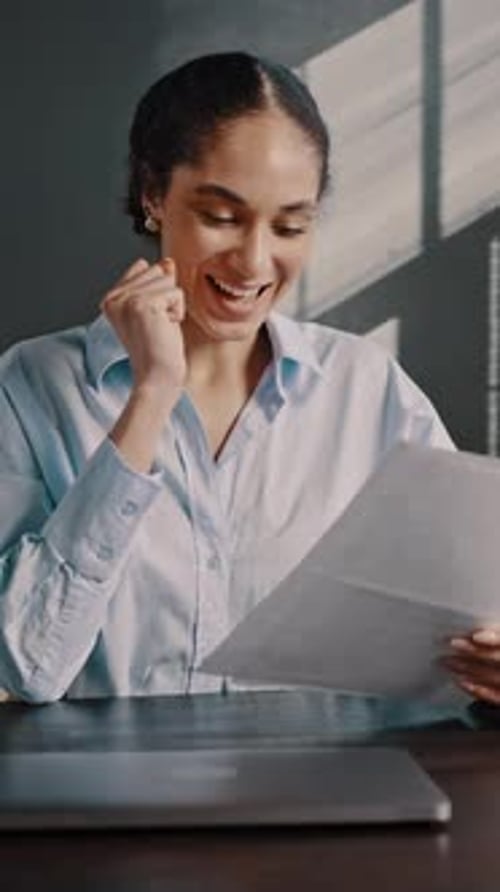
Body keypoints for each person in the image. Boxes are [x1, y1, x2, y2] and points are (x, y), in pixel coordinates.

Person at [0, 52, 498, 716]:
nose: (256, 261)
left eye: (291, 225)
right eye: (222, 217)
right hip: (106, 805)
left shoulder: (368, 391)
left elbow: (470, 619)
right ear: (153, 194)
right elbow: (27, 665)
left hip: (334, 798)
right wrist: (150, 395)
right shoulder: (32, 387)